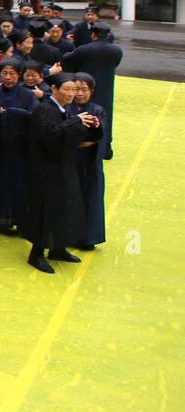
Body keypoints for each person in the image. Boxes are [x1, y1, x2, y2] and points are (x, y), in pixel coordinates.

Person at [22, 72, 100, 273]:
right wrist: (75, 122)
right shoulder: (44, 110)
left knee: (65, 208)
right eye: (68, 89)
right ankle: (37, 253)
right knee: (45, 211)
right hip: (45, 170)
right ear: (55, 90)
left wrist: (91, 127)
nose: (72, 94)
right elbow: (50, 138)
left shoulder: (64, 110)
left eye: (74, 89)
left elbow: (71, 136)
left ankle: (58, 247)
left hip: (63, 167)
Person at [0, 57, 38, 232]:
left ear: (19, 75)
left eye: (12, 74)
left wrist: (11, 114)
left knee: (15, 186)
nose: (8, 78)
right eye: (4, 73)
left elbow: (33, 119)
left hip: (16, 151)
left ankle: (14, 220)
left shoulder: (27, 96)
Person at [60, 22, 122, 158]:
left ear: (93, 35)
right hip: (106, 86)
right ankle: (105, 147)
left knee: (83, 112)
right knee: (105, 114)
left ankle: (83, 143)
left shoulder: (84, 49)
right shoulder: (116, 50)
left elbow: (67, 59)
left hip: (84, 85)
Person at [70, 72, 108, 250]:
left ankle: (87, 237)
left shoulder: (97, 110)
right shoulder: (66, 108)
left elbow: (99, 138)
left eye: (84, 89)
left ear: (91, 91)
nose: (80, 93)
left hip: (88, 163)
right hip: (68, 160)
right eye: (76, 89)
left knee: (89, 198)